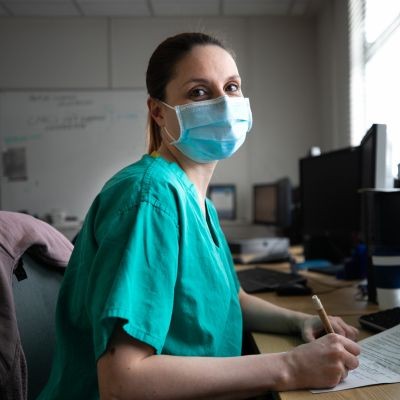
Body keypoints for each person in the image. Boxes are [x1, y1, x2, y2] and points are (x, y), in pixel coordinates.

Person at [38, 32, 360, 400]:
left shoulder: (197, 202)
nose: (224, 103)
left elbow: (230, 298)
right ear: (159, 111)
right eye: (199, 92)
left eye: (232, 87)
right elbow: (122, 381)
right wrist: (290, 366)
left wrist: (300, 321)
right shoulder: (149, 197)